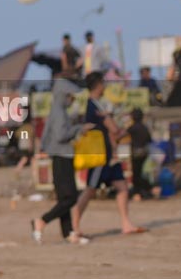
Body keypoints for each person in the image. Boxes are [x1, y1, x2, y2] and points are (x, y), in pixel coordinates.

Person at [71, 72, 146, 238]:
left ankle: (126, 223)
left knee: (122, 187)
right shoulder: (94, 105)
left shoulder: (97, 104)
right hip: (101, 155)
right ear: (98, 84)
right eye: (103, 83)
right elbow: (113, 129)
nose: (105, 86)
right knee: (90, 190)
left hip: (110, 155)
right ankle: (74, 225)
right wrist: (118, 124)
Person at [30, 73, 91, 245]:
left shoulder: (59, 111)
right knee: (70, 197)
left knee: (64, 197)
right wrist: (79, 128)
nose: (72, 100)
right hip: (61, 156)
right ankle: (41, 221)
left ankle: (68, 233)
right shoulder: (58, 112)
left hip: (61, 155)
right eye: (70, 96)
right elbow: (60, 135)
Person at [125, 109, 152, 200]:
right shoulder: (144, 127)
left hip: (136, 153)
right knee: (141, 172)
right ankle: (144, 190)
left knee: (136, 173)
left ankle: (138, 191)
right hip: (144, 152)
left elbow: (122, 135)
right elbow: (149, 140)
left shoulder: (133, 127)